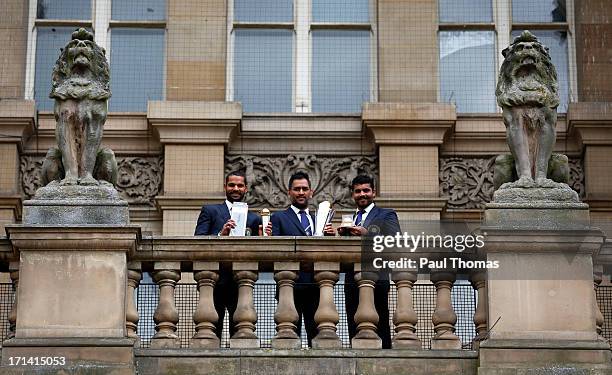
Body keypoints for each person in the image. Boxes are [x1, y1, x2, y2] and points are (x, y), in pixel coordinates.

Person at [194, 170, 266, 340]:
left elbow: (257, 251)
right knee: (211, 330)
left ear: (246, 189)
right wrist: (221, 234)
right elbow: (198, 240)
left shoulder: (254, 219)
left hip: (241, 281)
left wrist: (264, 237)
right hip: (214, 280)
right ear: (225, 187)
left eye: (240, 185)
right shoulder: (210, 211)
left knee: (241, 330)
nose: (236, 188)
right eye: (232, 185)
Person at [271, 171, 334, 347]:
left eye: (304, 189)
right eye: (297, 189)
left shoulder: (319, 219)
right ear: (289, 192)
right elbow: (274, 250)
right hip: (291, 286)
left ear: (311, 192)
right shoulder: (278, 217)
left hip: (317, 285)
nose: (301, 192)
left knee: (318, 336)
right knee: (289, 337)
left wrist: (331, 237)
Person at [340, 174, 401, 349]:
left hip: (378, 277)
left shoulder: (386, 214)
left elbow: (395, 240)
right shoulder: (351, 218)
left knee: (380, 323)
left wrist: (366, 233)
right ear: (353, 194)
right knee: (353, 321)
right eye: (358, 191)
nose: (362, 194)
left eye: (366, 190)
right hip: (352, 278)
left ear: (374, 192)